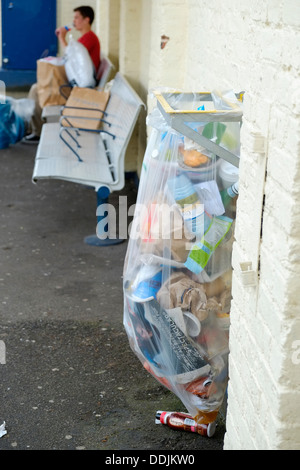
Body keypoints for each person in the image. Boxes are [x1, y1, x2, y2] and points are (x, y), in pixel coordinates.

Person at [24, 5, 101, 143]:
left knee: (37, 89)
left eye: (77, 17)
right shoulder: (84, 39)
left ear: (86, 20)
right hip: (77, 84)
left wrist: (62, 38)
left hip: (80, 90)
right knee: (38, 88)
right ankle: (35, 129)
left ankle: (37, 132)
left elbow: (70, 58)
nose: (74, 20)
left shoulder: (89, 38)